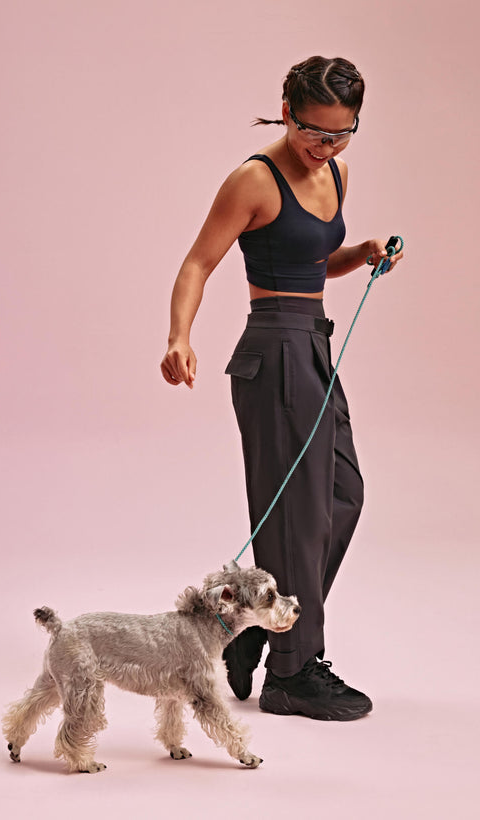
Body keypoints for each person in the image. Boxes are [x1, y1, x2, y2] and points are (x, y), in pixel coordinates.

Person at [160, 56, 403, 721]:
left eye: (341, 133)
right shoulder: (253, 179)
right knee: (299, 520)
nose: (324, 147)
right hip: (274, 350)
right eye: (313, 132)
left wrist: (366, 251)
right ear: (287, 109)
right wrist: (179, 336)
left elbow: (313, 260)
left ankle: (252, 627)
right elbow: (199, 260)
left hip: (316, 348)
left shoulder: (337, 173)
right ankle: (294, 674)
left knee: (342, 497)